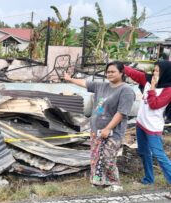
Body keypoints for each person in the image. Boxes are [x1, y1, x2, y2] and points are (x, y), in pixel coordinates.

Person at [64, 61, 135, 191]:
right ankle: (98, 182)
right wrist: (69, 79)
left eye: (113, 71)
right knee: (96, 158)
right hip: (96, 130)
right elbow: (85, 83)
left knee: (108, 158)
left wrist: (108, 129)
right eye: (107, 72)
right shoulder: (101, 86)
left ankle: (115, 184)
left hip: (113, 132)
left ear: (122, 73)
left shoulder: (126, 90)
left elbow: (121, 113)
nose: (110, 74)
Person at [124, 61, 171, 194]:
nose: (155, 74)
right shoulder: (148, 80)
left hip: (153, 128)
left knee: (159, 154)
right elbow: (135, 74)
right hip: (141, 124)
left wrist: (153, 88)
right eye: (154, 70)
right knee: (144, 153)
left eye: (158, 71)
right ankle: (149, 178)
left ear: (166, 73)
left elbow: (154, 104)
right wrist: (121, 67)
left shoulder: (168, 90)